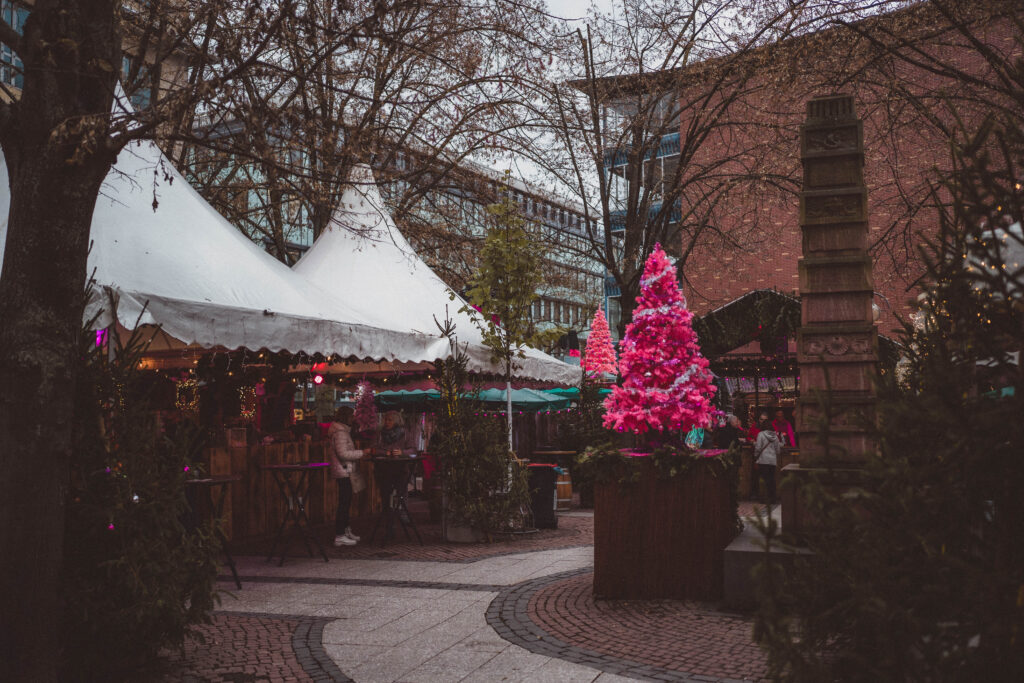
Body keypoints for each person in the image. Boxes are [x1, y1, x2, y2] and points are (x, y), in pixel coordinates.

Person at [328, 406, 364, 547]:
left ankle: (345, 530)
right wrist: (362, 453)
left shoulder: (342, 431)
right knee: (344, 502)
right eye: (351, 415)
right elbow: (343, 453)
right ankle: (340, 534)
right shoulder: (341, 433)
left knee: (346, 501)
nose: (353, 418)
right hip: (344, 470)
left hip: (343, 470)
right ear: (346, 417)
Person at [753, 414, 782, 505]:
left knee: (764, 479)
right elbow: (778, 450)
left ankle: (764, 498)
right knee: (772, 479)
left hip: (763, 460)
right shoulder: (775, 436)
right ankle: (773, 498)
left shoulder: (760, 434)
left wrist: (756, 456)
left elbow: (758, 447)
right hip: (772, 461)